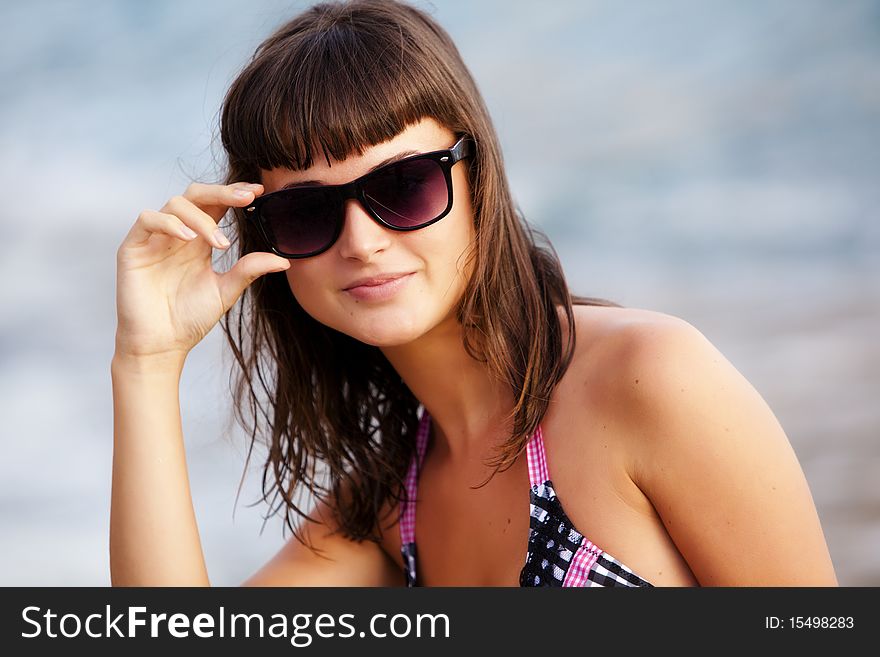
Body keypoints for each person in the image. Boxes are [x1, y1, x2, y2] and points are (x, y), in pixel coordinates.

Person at [110, 0, 837, 587]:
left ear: (476, 179)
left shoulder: (647, 379)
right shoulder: (389, 507)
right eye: (308, 210)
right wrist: (146, 363)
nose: (361, 240)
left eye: (403, 184)